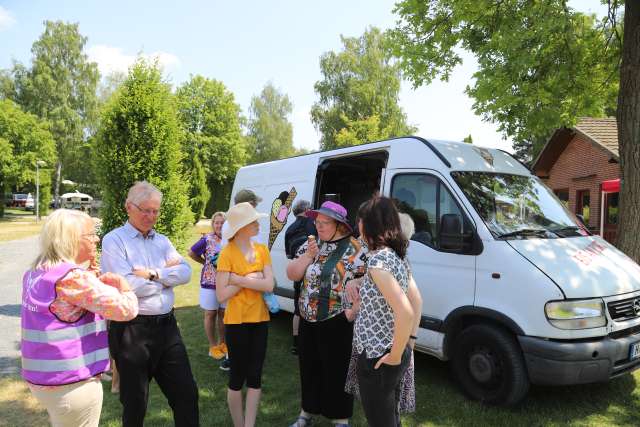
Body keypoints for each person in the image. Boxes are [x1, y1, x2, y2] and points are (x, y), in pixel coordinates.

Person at [21, 209, 138, 427]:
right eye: (91, 234)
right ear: (71, 239)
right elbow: (126, 310)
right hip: (72, 384)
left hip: (43, 381)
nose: (96, 238)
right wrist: (125, 287)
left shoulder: (36, 273)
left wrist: (89, 278)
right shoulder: (73, 279)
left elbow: (64, 306)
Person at [101, 181, 199, 427]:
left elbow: (186, 272)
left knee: (186, 394)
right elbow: (127, 285)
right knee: (135, 404)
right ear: (128, 207)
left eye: (155, 211)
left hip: (167, 329)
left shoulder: (162, 241)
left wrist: (153, 274)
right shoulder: (114, 241)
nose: (151, 216)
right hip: (131, 330)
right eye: (145, 210)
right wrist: (166, 279)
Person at [286, 201, 367, 427]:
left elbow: (369, 281)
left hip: (337, 319)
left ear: (339, 225)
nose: (318, 226)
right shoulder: (311, 245)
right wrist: (307, 257)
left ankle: (340, 418)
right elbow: (292, 274)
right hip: (307, 319)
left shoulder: (355, 249)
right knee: (309, 367)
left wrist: (351, 312)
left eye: (324, 223)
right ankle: (307, 413)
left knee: (337, 370)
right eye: (317, 222)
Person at [352, 197, 422, 427]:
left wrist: (394, 355)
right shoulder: (397, 256)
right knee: (390, 418)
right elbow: (417, 300)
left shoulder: (378, 262)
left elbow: (406, 311)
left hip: (378, 356)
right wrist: (408, 343)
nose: (357, 225)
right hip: (391, 352)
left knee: (380, 421)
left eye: (360, 220)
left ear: (368, 224)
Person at [215, 202, 275, 427]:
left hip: (260, 320)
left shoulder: (262, 250)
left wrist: (238, 279)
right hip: (237, 322)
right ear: (241, 228)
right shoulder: (227, 254)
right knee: (237, 377)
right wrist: (254, 278)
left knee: (256, 376)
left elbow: (269, 285)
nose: (258, 224)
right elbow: (221, 294)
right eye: (253, 222)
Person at [188, 211, 228, 365]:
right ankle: (212, 347)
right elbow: (191, 252)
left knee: (223, 314)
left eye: (222, 222)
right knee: (210, 313)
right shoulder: (207, 239)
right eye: (217, 222)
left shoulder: (231, 240)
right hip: (209, 282)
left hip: (226, 282)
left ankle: (222, 343)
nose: (219, 225)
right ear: (213, 224)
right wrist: (204, 263)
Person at [284, 200, 317, 355]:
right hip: (311, 270)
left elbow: (289, 255)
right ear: (306, 210)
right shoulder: (312, 223)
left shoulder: (289, 229)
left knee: (298, 308)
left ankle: (295, 344)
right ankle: (309, 342)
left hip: (297, 269)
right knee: (311, 304)